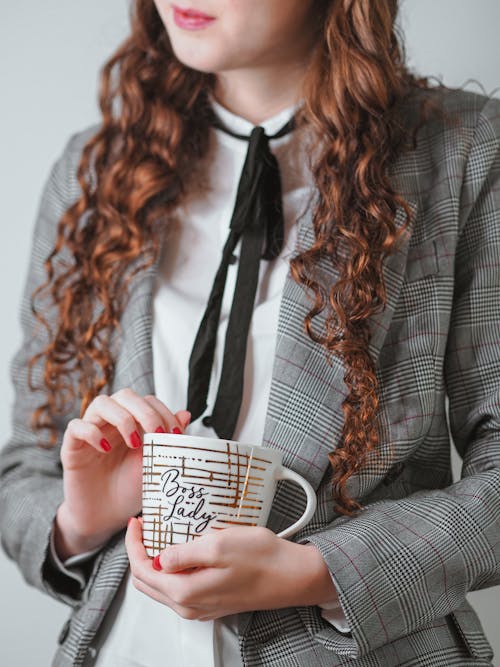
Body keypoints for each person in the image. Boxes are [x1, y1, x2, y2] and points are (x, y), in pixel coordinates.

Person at [1, 0, 499, 665]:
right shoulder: (94, 171)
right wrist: (84, 515)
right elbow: (25, 466)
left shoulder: (465, 154)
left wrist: (323, 571)